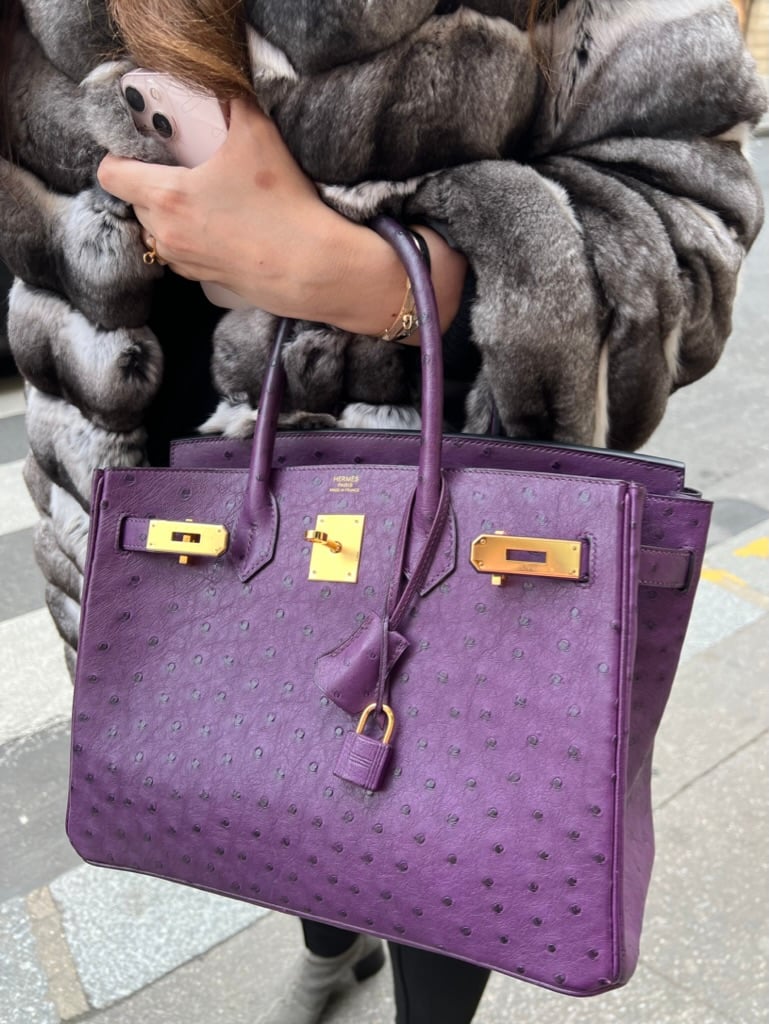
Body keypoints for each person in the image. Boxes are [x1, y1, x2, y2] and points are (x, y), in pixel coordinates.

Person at [0, 1, 766, 1022]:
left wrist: (377, 284)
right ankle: (329, 950)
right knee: (261, 785)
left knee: (453, 821)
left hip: (455, 500)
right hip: (169, 502)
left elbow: (687, 219)